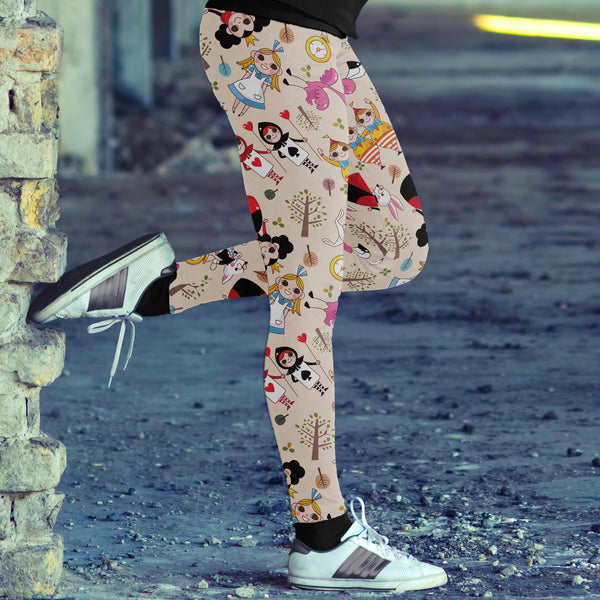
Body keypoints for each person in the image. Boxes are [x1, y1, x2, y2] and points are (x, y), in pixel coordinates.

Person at [29, 0, 446, 592]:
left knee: (394, 244)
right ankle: (323, 536)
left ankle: (155, 287)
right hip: (275, 38)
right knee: (306, 298)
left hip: (319, 41)